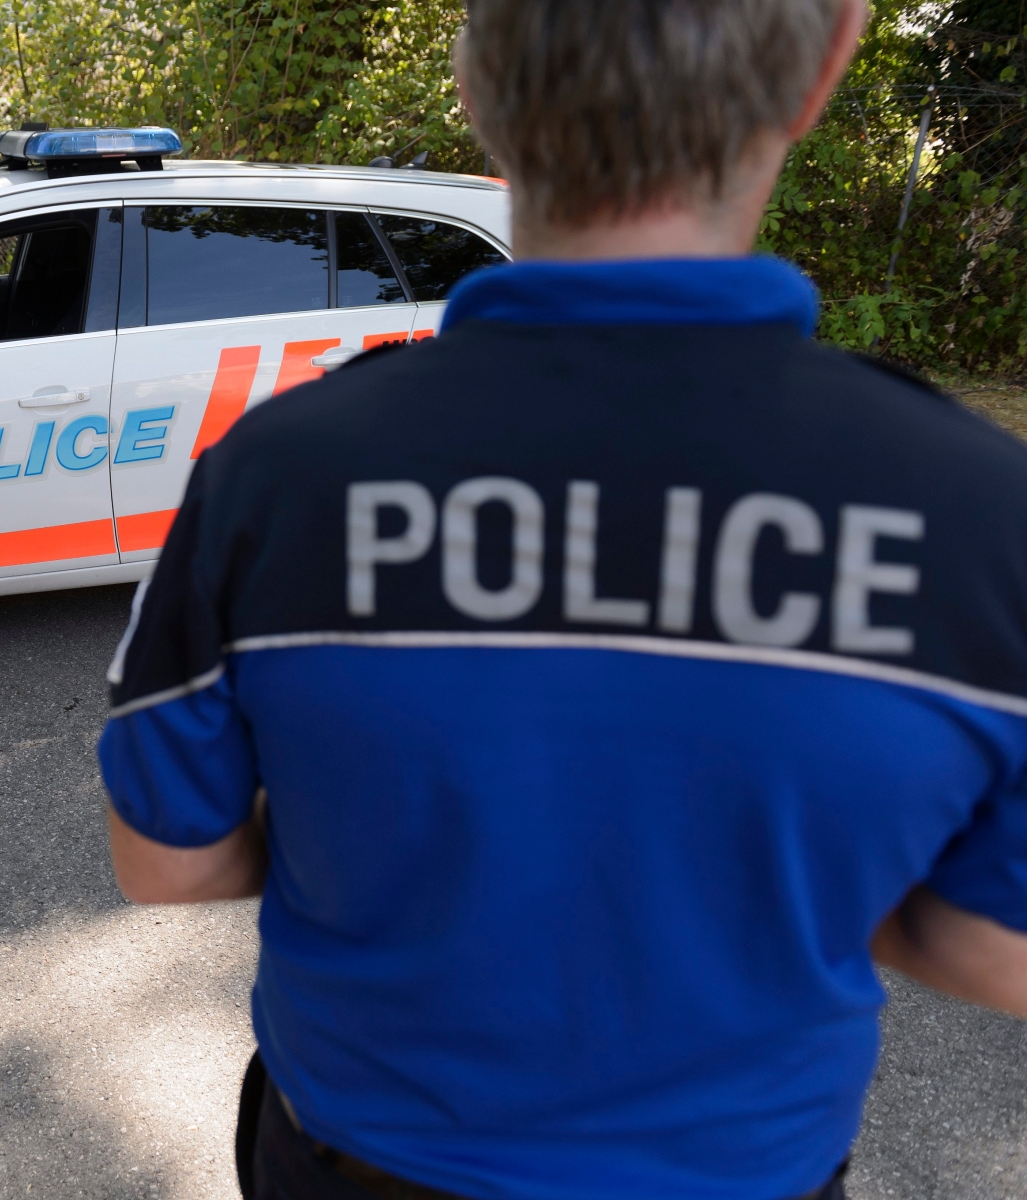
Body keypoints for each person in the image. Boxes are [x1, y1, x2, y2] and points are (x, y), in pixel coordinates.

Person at [94, 1, 1027, 1197]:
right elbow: (996, 943)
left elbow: (164, 864)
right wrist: (811, 866)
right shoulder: (979, 512)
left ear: (476, 82)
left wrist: (358, 828)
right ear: (825, 66)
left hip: (354, 1160)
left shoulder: (273, 475)